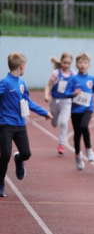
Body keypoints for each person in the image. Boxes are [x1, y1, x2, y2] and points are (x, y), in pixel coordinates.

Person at [0, 52, 51, 197]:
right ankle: (0, 182)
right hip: (5, 124)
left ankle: (19, 159)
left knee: (26, 153)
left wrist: (43, 112)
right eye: (25, 66)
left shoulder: (22, 83)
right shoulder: (5, 83)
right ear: (21, 66)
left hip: (20, 124)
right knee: (5, 154)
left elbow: (27, 102)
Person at [63, 53, 94, 170]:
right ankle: (77, 155)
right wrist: (72, 94)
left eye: (85, 63)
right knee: (77, 134)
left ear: (89, 65)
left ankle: (89, 150)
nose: (82, 65)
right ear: (76, 64)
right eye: (80, 62)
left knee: (84, 126)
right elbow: (65, 93)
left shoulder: (91, 79)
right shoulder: (73, 79)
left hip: (88, 108)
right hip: (75, 110)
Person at [43, 52, 74, 154]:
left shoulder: (73, 74)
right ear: (61, 62)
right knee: (55, 121)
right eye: (65, 63)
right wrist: (46, 95)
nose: (66, 65)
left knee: (63, 122)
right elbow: (48, 85)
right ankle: (53, 120)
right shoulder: (56, 73)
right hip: (54, 101)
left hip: (67, 101)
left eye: (69, 63)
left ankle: (61, 143)